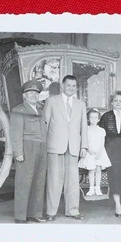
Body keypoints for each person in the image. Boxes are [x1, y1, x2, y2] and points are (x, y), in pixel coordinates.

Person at [43, 75, 88, 221]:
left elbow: (84, 128)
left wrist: (84, 146)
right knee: (54, 179)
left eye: (74, 86)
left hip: (74, 147)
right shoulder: (51, 101)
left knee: (73, 181)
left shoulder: (80, 104)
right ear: (62, 86)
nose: (71, 88)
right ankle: (51, 212)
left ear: (76, 88)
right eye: (68, 85)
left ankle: (73, 211)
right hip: (55, 145)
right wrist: (43, 145)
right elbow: (45, 124)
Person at [9, 80, 47, 224]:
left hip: (42, 146)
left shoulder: (42, 110)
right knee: (24, 181)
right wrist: (18, 152)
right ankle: (20, 215)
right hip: (27, 147)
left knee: (39, 180)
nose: (33, 95)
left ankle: (35, 214)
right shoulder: (19, 110)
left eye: (36, 93)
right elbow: (15, 132)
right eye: (30, 93)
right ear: (24, 95)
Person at [78, 109, 111, 196]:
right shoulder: (86, 129)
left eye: (95, 117)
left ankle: (98, 188)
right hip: (90, 152)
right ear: (88, 119)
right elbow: (85, 140)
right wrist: (89, 150)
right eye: (91, 117)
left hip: (99, 152)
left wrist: (99, 153)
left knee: (98, 170)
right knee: (91, 170)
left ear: (98, 119)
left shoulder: (101, 130)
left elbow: (102, 142)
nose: (93, 119)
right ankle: (91, 188)